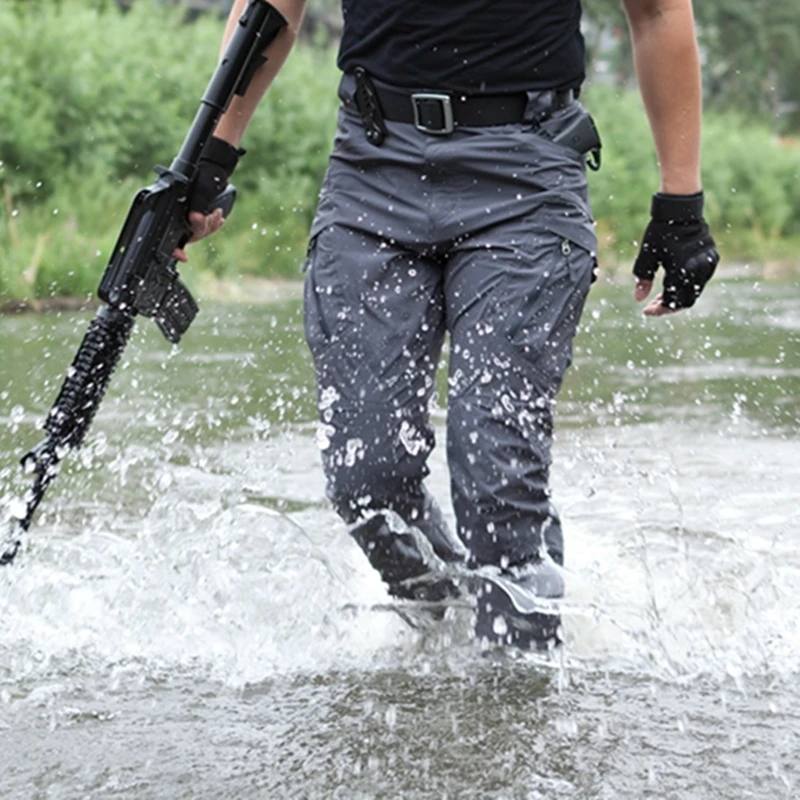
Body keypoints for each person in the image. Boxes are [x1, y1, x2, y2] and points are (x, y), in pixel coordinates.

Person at [182, 0, 719, 651]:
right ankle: (453, 622)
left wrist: (681, 203)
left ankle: (517, 690)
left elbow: (658, 13)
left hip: (528, 172)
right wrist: (211, 156)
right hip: (372, 166)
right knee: (366, 476)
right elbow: (273, 9)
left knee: (496, 469)